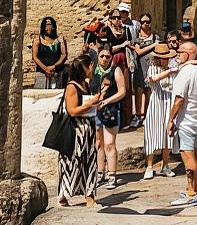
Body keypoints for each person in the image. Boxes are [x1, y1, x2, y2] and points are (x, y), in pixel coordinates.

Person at [166, 40, 197, 207]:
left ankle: (191, 193)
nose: (178, 55)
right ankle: (196, 186)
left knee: (187, 155)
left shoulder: (185, 72)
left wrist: (171, 119)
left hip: (186, 120)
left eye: (180, 52)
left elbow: (179, 99)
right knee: (196, 154)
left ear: (188, 54)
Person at [56, 56, 102, 207]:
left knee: (89, 161)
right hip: (75, 131)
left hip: (88, 130)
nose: (92, 67)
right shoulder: (72, 87)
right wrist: (90, 104)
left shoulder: (85, 85)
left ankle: (89, 194)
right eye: (90, 65)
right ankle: (64, 194)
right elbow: (72, 110)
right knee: (71, 162)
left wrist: (95, 104)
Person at [92, 46, 129, 190]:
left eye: (107, 56)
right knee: (98, 143)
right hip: (95, 110)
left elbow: (122, 91)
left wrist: (106, 101)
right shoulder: (93, 70)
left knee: (109, 143)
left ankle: (112, 174)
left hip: (110, 110)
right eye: (102, 56)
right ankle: (100, 172)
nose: (104, 59)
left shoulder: (115, 70)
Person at [141, 42, 178, 179]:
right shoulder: (152, 68)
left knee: (167, 135)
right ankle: (149, 166)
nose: (166, 60)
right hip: (156, 102)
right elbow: (153, 79)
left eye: (167, 58)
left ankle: (165, 165)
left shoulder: (172, 69)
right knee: (152, 133)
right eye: (163, 58)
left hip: (169, 102)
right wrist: (169, 71)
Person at [129, 13, 158, 128]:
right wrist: (153, 45)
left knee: (148, 91)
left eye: (147, 21)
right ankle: (138, 116)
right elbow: (139, 51)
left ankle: (147, 115)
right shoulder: (137, 38)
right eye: (143, 22)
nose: (145, 24)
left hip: (151, 66)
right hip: (140, 67)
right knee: (139, 91)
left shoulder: (155, 36)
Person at [32, 16, 68, 89]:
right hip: (42, 72)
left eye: (50, 25)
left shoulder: (60, 40)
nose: (48, 28)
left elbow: (64, 55)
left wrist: (53, 66)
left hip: (57, 72)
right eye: (46, 25)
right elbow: (35, 57)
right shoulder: (37, 40)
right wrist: (45, 69)